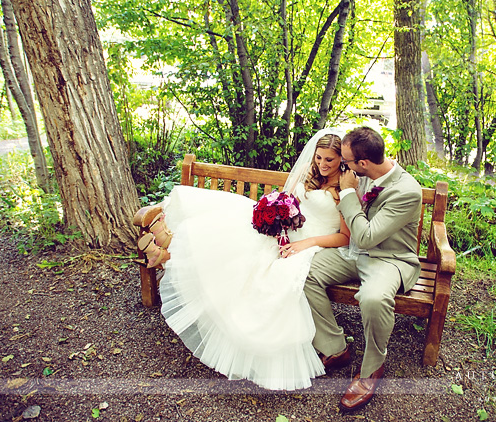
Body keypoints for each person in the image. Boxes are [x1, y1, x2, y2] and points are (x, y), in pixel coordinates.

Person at [134, 129, 350, 390]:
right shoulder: (308, 171)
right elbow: (285, 200)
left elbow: (344, 237)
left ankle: (172, 251)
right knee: (239, 226)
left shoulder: (346, 186)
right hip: (288, 232)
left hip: (312, 242)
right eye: (319, 158)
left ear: (341, 159)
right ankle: (172, 246)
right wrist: (276, 218)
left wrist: (305, 243)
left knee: (262, 266)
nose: (323, 165)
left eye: (329, 160)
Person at [303, 126, 422, 411]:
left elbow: (367, 235)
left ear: (363, 162)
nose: (343, 166)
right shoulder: (360, 173)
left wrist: (347, 194)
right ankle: (335, 349)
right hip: (354, 254)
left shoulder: (407, 191)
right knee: (302, 271)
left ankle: (371, 370)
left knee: (373, 298)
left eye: (346, 161)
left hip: (389, 259)